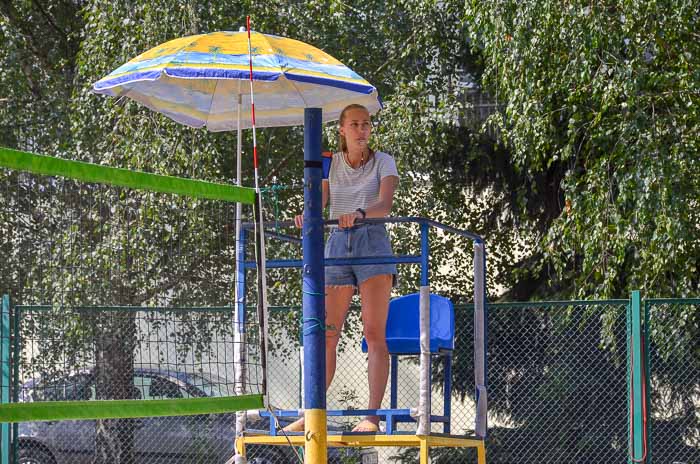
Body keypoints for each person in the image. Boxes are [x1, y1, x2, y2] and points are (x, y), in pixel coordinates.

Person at [287, 103, 400, 433]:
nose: (362, 130)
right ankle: (312, 412)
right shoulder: (329, 162)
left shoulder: (384, 161)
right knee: (326, 333)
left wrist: (362, 213)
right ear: (342, 130)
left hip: (372, 241)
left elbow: (385, 204)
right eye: (355, 124)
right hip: (337, 242)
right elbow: (318, 204)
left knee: (373, 333)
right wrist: (305, 215)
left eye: (366, 124)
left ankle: (372, 416)